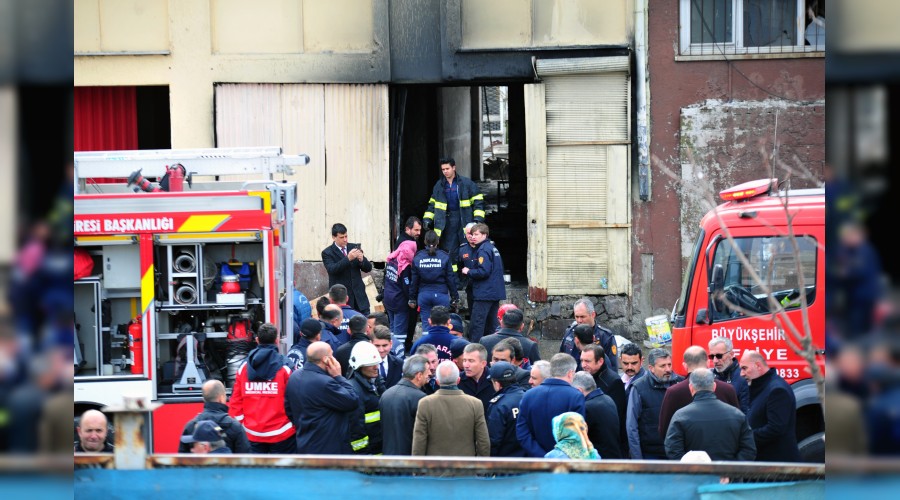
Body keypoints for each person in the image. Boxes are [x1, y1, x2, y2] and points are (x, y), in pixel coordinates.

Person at [228, 323, 295, 454]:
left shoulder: (243, 368)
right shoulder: (286, 367)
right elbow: (295, 399)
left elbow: (236, 401)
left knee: (255, 468)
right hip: (283, 434)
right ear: (277, 340)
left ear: (257, 340)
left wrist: (241, 426)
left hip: (252, 434)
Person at [664, 368, 756, 462]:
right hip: (729, 470)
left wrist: (692, 468)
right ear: (714, 386)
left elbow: (673, 450)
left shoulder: (680, 416)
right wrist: (731, 468)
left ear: (691, 388)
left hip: (694, 470)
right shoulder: (737, 415)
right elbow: (749, 449)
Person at [285, 341, 360, 454]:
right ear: (326, 359)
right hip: (328, 449)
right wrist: (338, 377)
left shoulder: (294, 376)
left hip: (303, 443)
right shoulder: (325, 383)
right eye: (332, 355)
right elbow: (353, 400)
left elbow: (288, 409)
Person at [658, 346, 740, 439]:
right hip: (724, 446)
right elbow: (738, 424)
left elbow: (665, 431)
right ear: (708, 363)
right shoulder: (728, 389)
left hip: (687, 447)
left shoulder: (673, 392)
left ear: (685, 366)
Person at [411, 360, 490, 456]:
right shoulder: (475, 404)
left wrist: (417, 464)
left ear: (437, 382)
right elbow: (483, 441)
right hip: (465, 464)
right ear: (458, 380)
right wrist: (481, 464)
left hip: (434, 464)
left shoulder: (425, 404)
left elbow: (419, 441)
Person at [422, 157, 486, 272]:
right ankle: (453, 277)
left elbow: (478, 201)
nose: (445, 171)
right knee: (450, 251)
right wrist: (427, 219)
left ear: (454, 168)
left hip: (464, 221)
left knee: (468, 249)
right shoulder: (439, 185)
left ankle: (469, 275)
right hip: (447, 223)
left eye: (447, 168)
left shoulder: (467, 184)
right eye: (443, 169)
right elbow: (432, 204)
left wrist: (478, 219)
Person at [516, 353, 586, 457]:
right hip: (563, 461)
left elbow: (522, 432)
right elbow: (576, 435)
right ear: (571, 373)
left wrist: (541, 455)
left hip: (534, 460)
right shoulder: (575, 396)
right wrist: (555, 457)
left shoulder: (528, 395)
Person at [740, 351, 801, 462]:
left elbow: (775, 429)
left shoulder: (777, 390)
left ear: (758, 366)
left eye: (744, 368)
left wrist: (746, 437)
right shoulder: (762, 386)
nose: (741, 374)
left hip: (777, 464)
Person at [626, 348, 683, 459]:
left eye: (669, 365)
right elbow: (631, 426)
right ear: (651, 368)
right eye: (662, 366)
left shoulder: (681, 383)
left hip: (677, 452)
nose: (668, 369)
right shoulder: (639, 388)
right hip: (651, 454)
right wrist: (638, 459)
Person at [460, 223, 506, 342]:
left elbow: (483, 271)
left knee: (477, 324)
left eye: (476, 234)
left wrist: (468, 271)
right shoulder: (492, 248)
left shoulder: (483, 250)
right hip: (494, 292)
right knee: (492, 325)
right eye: (472, 234)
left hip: (484, 293)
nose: (473, 237)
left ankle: (474, 349)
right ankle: (494, 348)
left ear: (484, 235)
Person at [579, 344, 627, 456]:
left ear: (600, 361)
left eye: (587, 361)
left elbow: (617, 418)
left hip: (606, 446)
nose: (583, 365)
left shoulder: (613, 381)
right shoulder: (584, 376)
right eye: (582, 360)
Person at [178, 379, 250, 453]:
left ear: (204, 399)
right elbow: (244, 456)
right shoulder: (235, 426)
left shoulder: (191, 425)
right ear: (221, 398)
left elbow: (182, 456)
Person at [379, 355, 430, 455]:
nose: (430, 373)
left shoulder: (386, 394)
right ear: (419, 375)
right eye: (427, 370)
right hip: (409, 458)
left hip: (387, 458)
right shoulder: (421, 398)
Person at [409, 230, 459, 327]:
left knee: (426, 326)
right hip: (441, 295)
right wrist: (455, 297)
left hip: (424, 295)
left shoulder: (418, 257)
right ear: (438, 241)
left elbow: (414, 281)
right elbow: (450, 278)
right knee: (442, 326)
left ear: (425, 241)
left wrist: (412, 298)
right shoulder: (444, 256)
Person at [322, 223, 372, 315]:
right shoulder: (327, 252)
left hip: (360, 298)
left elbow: (368, 268)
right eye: (342, 237)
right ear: (334, 237)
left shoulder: (353, 247)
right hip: (342, 299)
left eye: (346, 236)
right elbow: (332, 269)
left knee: (365, 322)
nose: (345, 239)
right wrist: (348, 258)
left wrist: (362, 260)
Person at [346, 341, 385, 454]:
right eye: (371, 364)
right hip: (368, 452)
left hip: (378, 445)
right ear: (359, 366)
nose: (376, 367)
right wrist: (364, 457)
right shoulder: (354, 390)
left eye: (376, 363)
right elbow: (356, 429)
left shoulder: (375, 383)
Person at [560, 298, 618, 373]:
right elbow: (561, 359)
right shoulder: (570, 333)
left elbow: (612, 369)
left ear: (593, 314)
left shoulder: (605, 336)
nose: (579, 320)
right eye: (577, 317)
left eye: (582, 317)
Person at [572, 371, 621, 459]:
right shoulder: (608, 399)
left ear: (579, 390)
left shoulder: (587, 407)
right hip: (613, 457)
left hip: (599, 461)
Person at [383, 240, 417, 358]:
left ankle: (390, 355)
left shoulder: (391, 259)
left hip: (388, 299)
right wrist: (412, 299)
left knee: (392, 330)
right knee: (400, 333)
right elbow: (406, 286)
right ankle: (398, 357)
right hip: (399, 302)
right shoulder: (405, 266)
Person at [486, 361, 526, 457]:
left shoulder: (499, 405)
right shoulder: (528, 397)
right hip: (530, 458)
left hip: (506, 460)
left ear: (497, 383)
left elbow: (494, 439)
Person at [708, 337, 750, 413]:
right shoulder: (708, 377)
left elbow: (745, 413)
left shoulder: (743, 377)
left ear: (731, 355)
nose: (715, 361)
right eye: (712, 356)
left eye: (719, 356)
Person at [459, 343, 496, 414]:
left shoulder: (495, 380)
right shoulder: (458, 380)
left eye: (471, 361)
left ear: (483, 364)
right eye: (464, 360)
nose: (466, 365)